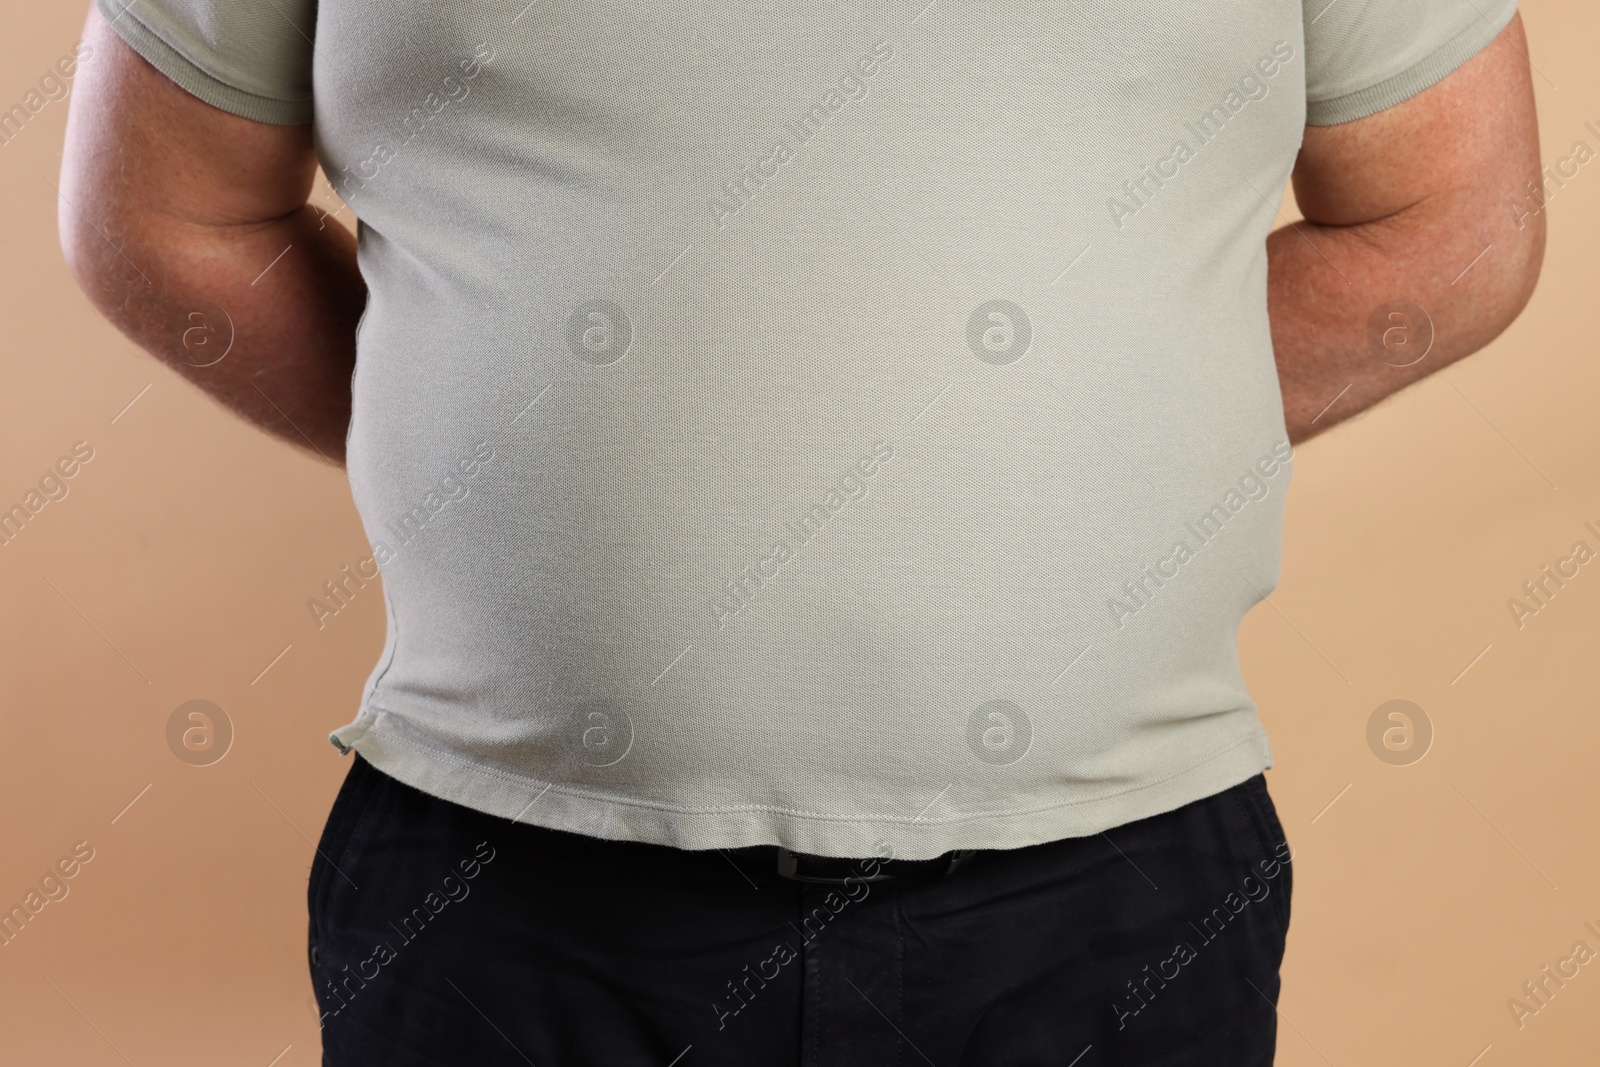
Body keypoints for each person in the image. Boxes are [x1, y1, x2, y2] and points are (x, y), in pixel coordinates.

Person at [59, 0, 1542, 1061]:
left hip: (1104, 893)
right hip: (510, 895)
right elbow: (164, 213)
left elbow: (1451, 221)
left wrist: (1127, 444)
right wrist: (480, 460)